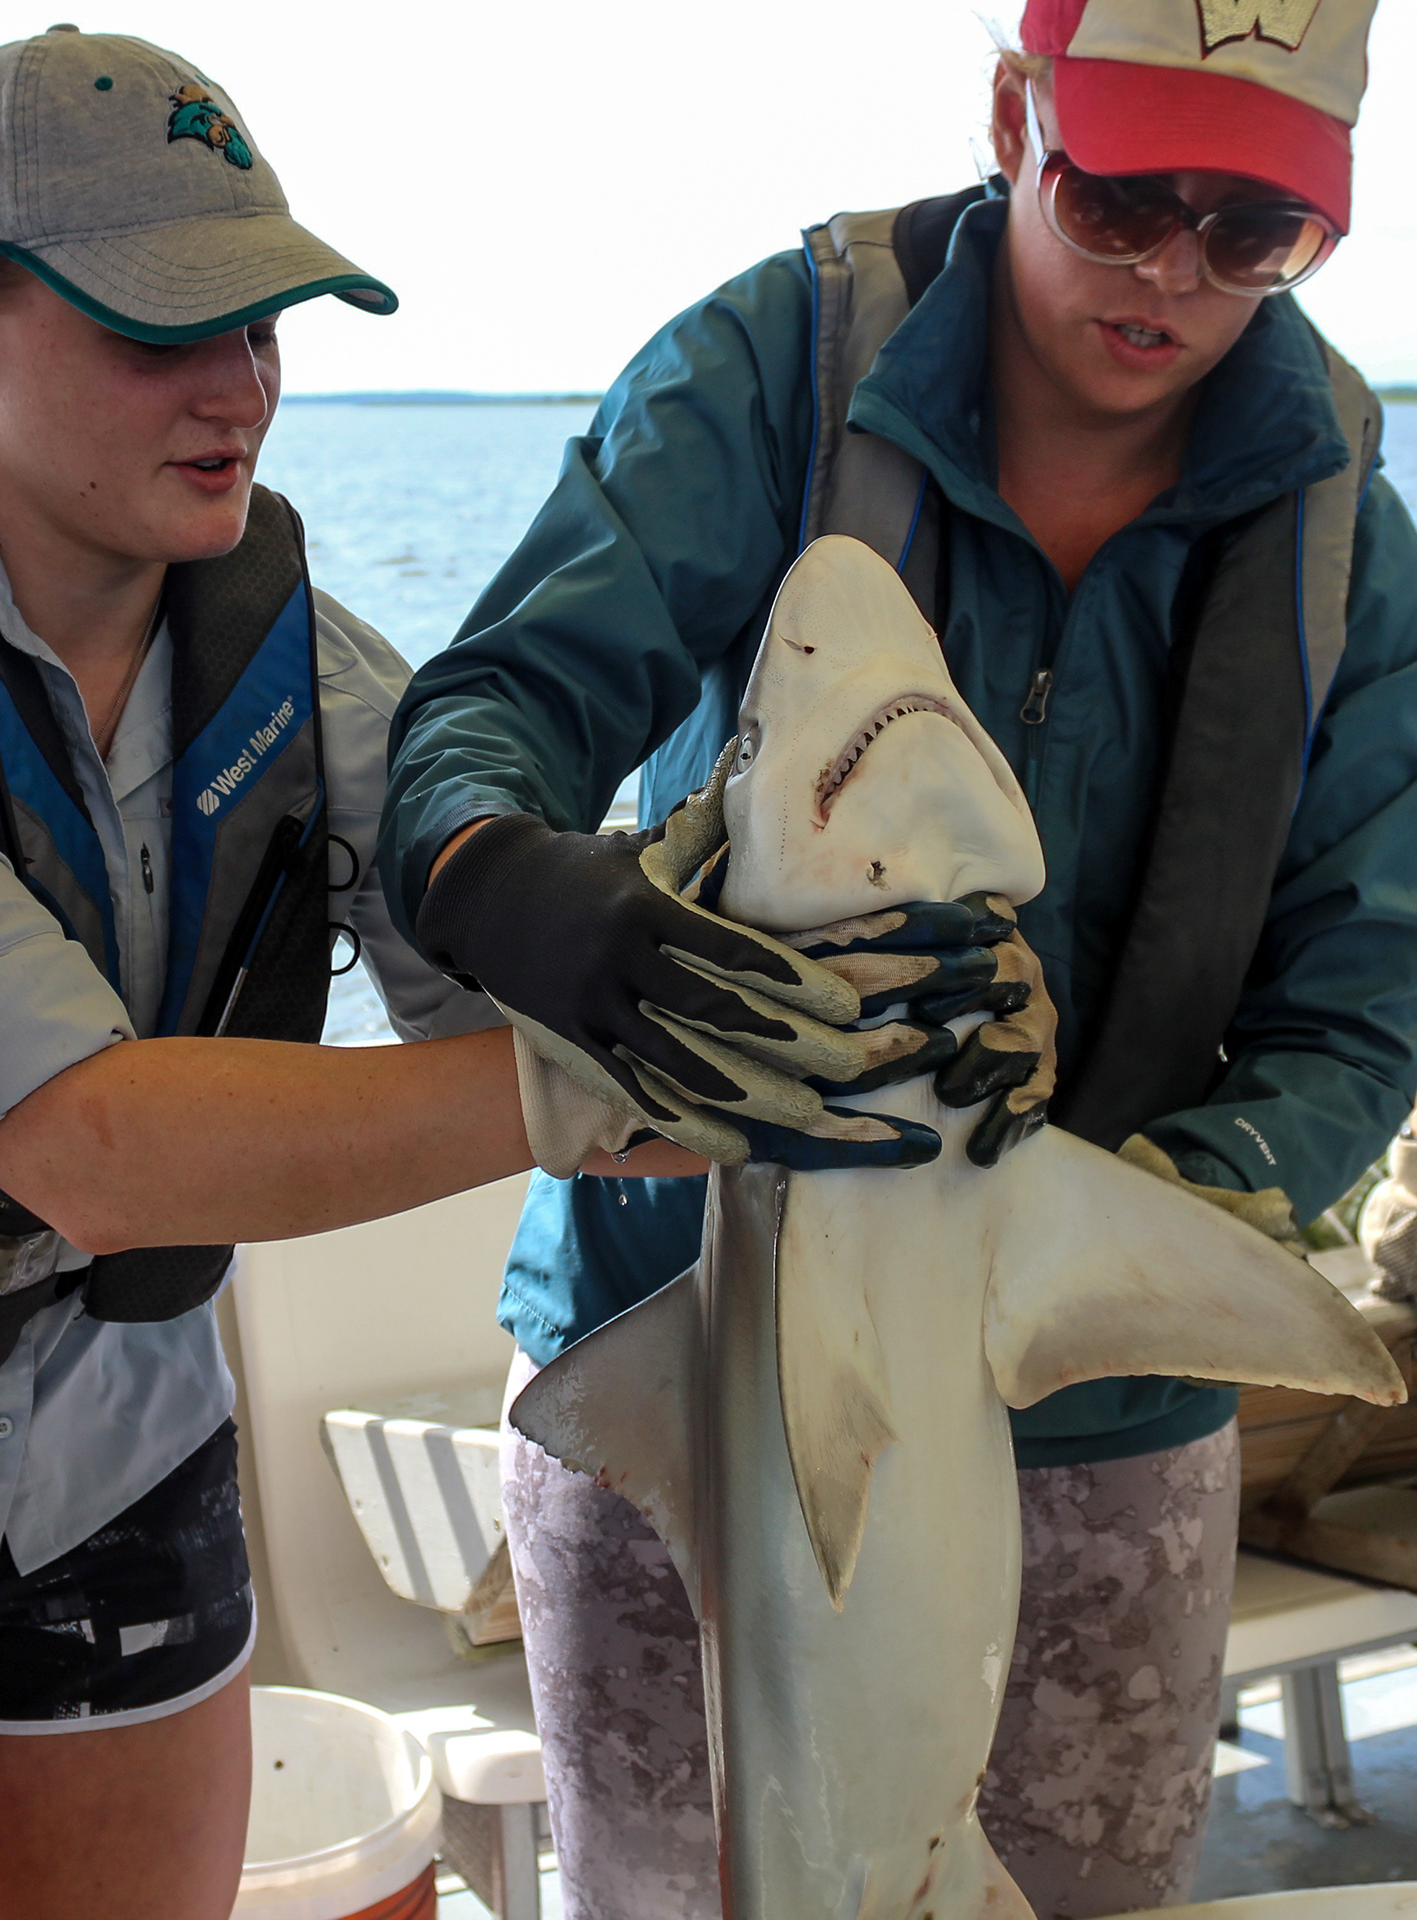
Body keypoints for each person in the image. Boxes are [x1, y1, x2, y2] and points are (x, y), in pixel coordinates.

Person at [0, 29, 707, 1920]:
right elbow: (85, 1146)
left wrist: (738, 1025)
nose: (237, 388)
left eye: (261, 324)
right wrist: (583, 1093)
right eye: (163, 329)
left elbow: (511, 997)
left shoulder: (309, 668)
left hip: (114, 1431)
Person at [382, 0, 1417, 1913]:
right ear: (1015, 116)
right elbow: (495, 702)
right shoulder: (772, 371)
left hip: (1115, 1409)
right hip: (678, 1351)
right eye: (1120, 199)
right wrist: (511, 875)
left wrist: (1127, 1239)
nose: (1173, 276)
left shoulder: (1345, 522)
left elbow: (1372, 985)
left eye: (1254, 230)